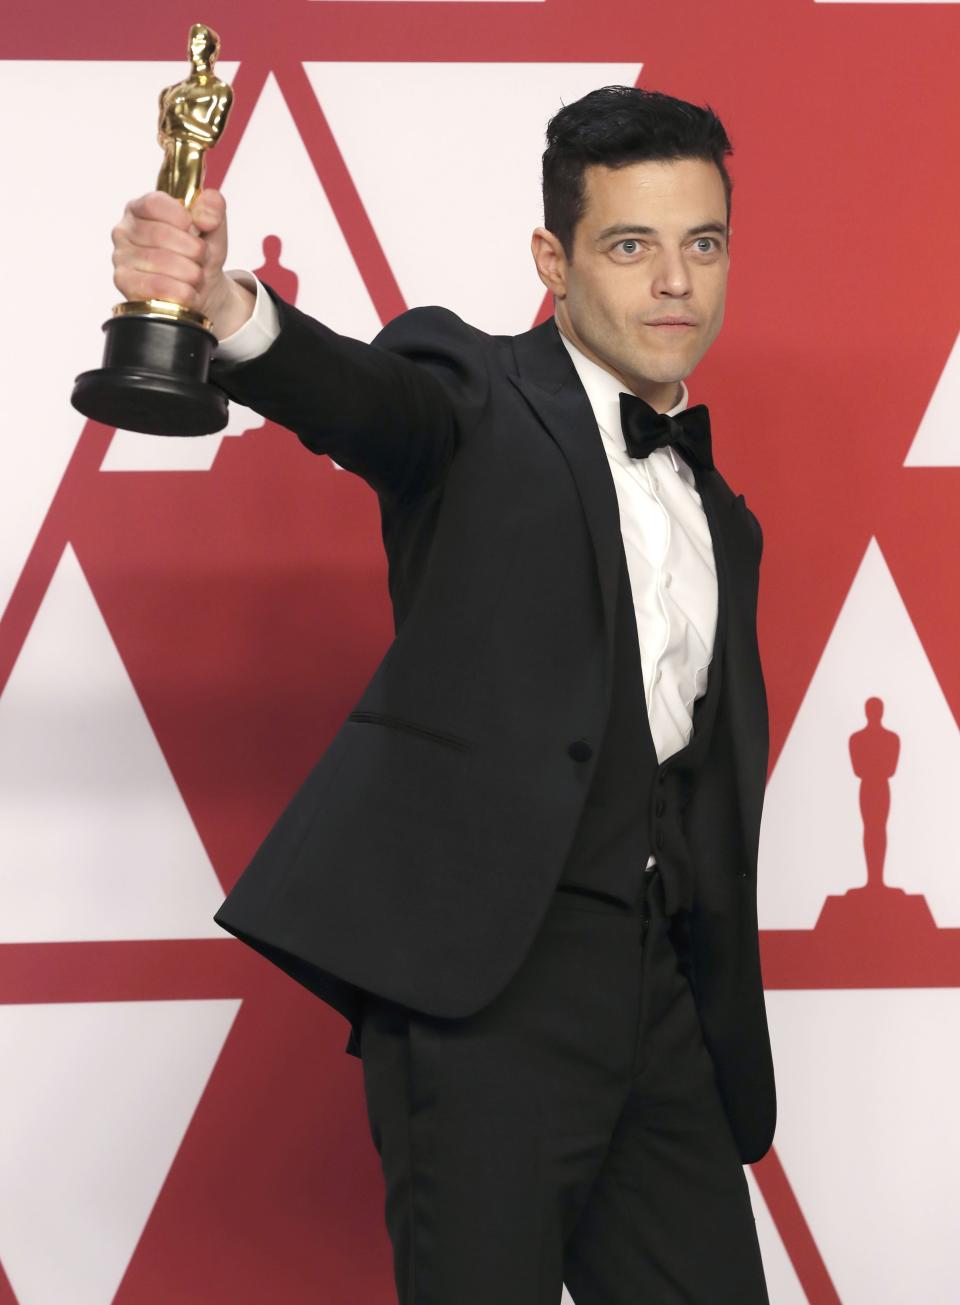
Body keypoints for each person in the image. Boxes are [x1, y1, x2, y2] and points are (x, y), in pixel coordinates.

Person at [110, 85, 775, 1304]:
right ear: (554, 261)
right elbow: (367, 402)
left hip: (663, 1000)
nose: (675, 280)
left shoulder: (722, 519)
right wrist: (226, 311)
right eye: (632, 245)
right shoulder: (474, 395)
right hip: (489, 997)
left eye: (703, 244)